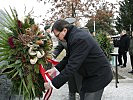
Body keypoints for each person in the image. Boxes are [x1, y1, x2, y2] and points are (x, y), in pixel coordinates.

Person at [44, 20, 113, 100]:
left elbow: (72, 66)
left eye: (57, 35)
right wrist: (55, 69)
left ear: (65, 30)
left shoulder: (78, 38)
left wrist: (52, 84)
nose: (58, 39)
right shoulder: (73, 36)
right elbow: (69, 57)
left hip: (98, 75)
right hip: (89, 75)